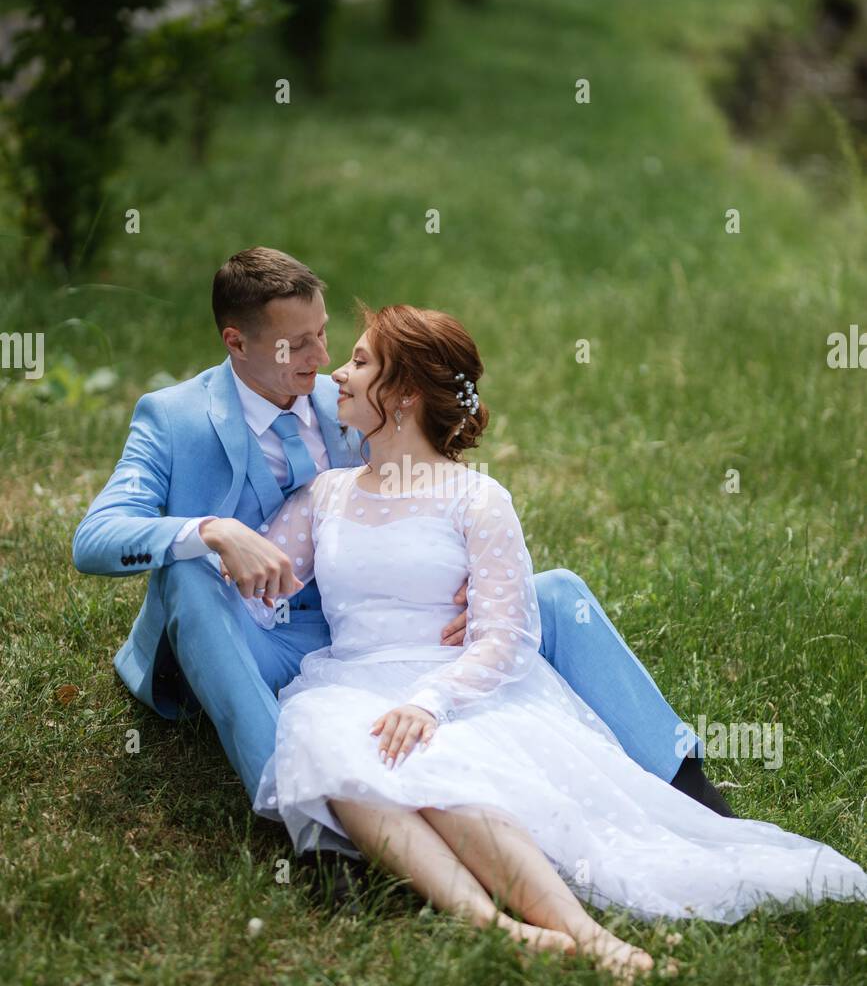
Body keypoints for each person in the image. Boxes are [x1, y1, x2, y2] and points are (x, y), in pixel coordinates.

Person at [235, 303, 867, 984]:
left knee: (450, 783)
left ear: (406, 392)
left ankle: (586, 936)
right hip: (351, 681)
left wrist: (431, 701)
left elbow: (506, 635)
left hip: (455, 684)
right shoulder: (325, 496)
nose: (339, 373)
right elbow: (260, 589)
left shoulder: (475, 499)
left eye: (359, 362)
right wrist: (216, 544)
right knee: (340, 758)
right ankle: (498, 928)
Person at [72, 246, 727, 816]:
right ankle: (297, 807)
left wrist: (474, 577)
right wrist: (211, 531)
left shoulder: (351, 395)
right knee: (186, 575)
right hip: (249, 632)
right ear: (235, 342)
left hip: (365, 623)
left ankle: (686, 780)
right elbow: (96, 538)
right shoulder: (171, 418)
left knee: (552, 593)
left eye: (324, 336)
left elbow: (423, 495)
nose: (322, 360)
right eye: (296, 345)